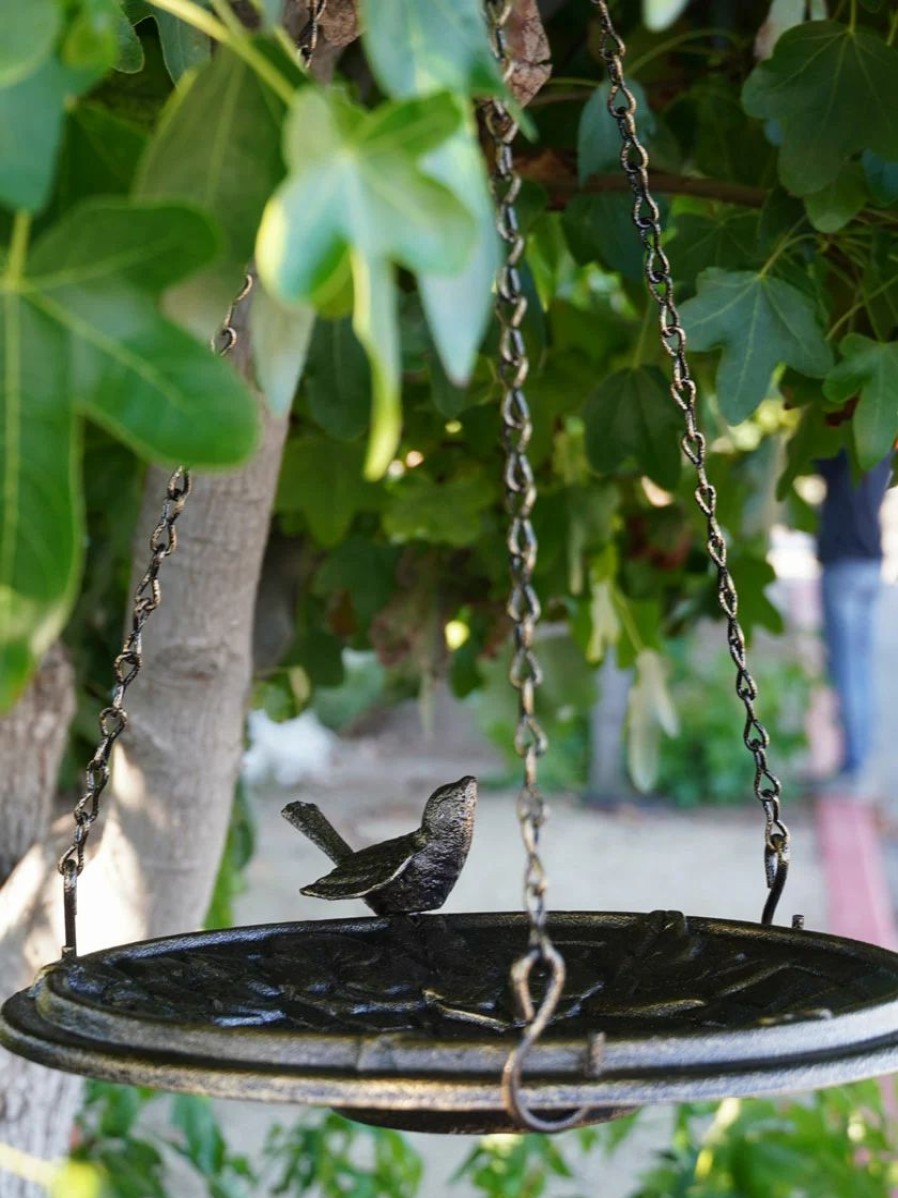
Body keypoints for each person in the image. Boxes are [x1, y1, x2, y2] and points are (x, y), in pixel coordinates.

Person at [816, 449, 892, 794]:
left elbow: (814, 460)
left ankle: (855, 763)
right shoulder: (882, 450)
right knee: (859, 667)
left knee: (847, 668)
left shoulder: (843, 447)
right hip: (870, 564)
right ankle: (860, 758)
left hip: (844, 565)